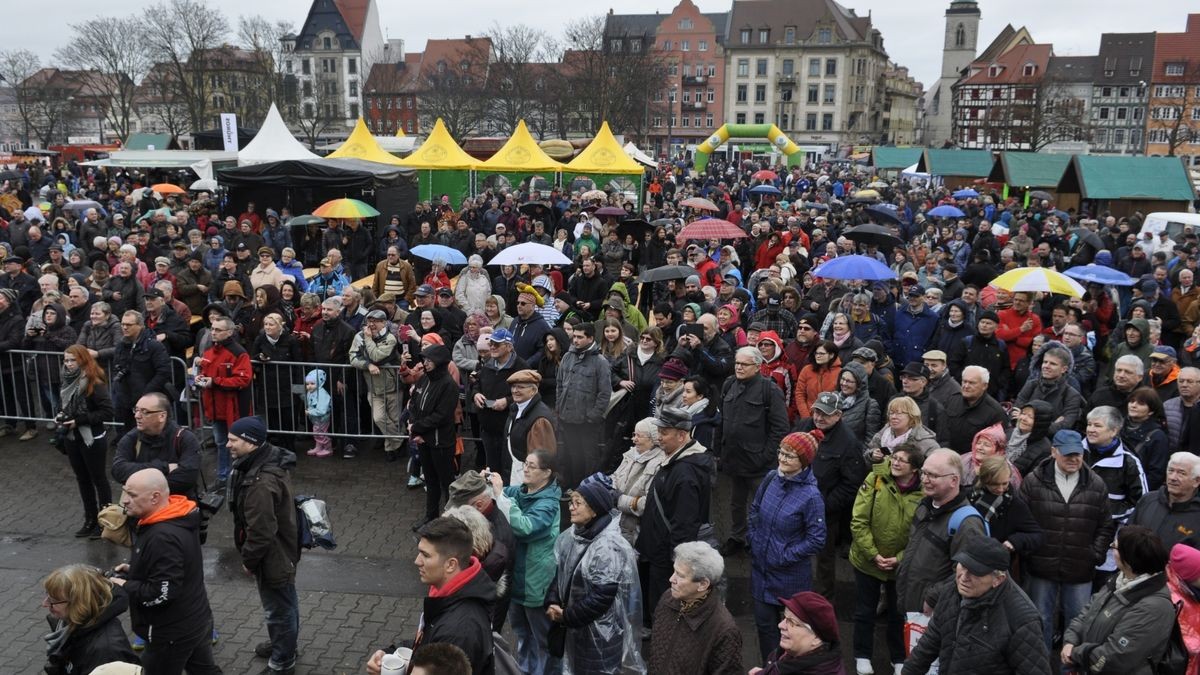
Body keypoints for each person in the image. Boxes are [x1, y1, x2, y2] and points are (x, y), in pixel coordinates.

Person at [108, 469, 220, 674]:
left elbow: (162, 592)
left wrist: (124, 584)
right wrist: (136, 570)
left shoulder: (162, 536)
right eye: (124, 492)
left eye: (132, 495)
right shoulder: (178, 514)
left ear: (155, 497)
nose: (124, 501)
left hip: (170, 632)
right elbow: (177, 568)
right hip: (196, 618)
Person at [1019, 429, 1115, 650]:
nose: (1074, 459)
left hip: (1080, 567)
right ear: (1053, 452)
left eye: (1078, 454)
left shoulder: (1096, 484)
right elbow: (1022, 520)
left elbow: (1105, 525)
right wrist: (1030, 553)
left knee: (1077, 623)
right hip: (1041, 565)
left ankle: (1070, 670)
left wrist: (1095, 554)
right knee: (1040, 618)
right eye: (1067, 454)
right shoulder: (1033, 482)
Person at [901, 536, 1050, 675]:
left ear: (998, 579)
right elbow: (929, 642)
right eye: (963, 565)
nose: (963, 577)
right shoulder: (952, 588)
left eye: (975, 572)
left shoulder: (1022, 620)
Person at [365, 517, 496, 675]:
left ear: (451, 565)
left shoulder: (457, 632)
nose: (416, 561)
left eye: (425, 555)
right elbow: (428, 644)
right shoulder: (452, 596)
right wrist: (389, 654)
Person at [546, 474, 644, 674]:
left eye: (578, 503)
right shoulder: (575, 534)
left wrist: (567, 616)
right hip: (575, 626)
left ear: (594, 510)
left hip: (599, 636)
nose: (571, 507)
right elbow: (562, 573)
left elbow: (601, 598)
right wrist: (553, 600)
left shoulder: (607, 546)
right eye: (571, 502)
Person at [226, 416, 300, 675]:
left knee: (279, 609)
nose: (227, 445)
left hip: (274, 556)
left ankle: (283, 661)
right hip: (280, 551)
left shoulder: (260, 482)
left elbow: (261, 532)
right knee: (285, 603)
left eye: (233, 440)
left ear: (251, 442)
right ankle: (285, 644)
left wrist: (248, 560)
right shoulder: (264, 463)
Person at [747, 430, 828, 662]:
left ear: (804, 461)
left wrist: (784, 556)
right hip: (760, 573)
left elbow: (817, 539)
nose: (782, 459)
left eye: (790, 456)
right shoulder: (771, 477)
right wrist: (753, 539)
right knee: (765, 630)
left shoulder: (811, 496)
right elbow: (754, 510)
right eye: (781, 452)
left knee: (789, 636)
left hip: (789, 580)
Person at [635, 407, 716, 625]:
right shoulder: (675, 460)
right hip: (656, 551)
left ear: (681, 435)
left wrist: (676, 562)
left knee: (665, 608)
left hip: (665, 558)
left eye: (664, 433)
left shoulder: (685, 473)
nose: (659, 437)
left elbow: (684, 524)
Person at [1061, 525, 1177, 674]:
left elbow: (1117, 657)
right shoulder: (1119, 580)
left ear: (1129, 558)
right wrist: (1070, 641)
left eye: (1114, 547)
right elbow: (1087, 612)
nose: (1111, 550)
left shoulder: (1154, 607)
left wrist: (1076, 653)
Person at [852, 444, 925, 675]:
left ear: (914, 469)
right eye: (895, 457)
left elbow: (921, 534)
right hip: (867, 561)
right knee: (865, 611)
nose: (895, 462)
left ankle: (898, 657)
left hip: (900, 567)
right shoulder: (875, 479)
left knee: (897, 612)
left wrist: (899, 559)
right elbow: (859, 520)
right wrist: (874, 554)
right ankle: (862, 654)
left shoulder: (923, 494)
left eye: (903, 460)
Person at [489, 449, 561, 675]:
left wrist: (500, 495)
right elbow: (498, 495)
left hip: (536, 582)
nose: (526, 469)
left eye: (532, 466)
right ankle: (526, 670)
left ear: (547, 472)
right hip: (517, 579)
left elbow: (526, 527)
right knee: (521, 632)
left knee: (542, 639)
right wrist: (489, 481)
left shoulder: (549, 504)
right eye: (525, 464)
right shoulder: (522, 491)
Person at [716, 346, 789, 555]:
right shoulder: (729, 384)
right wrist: (718, 450)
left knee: (763, 505)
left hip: (759, 463)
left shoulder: (770, 390)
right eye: (737, 363)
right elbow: (721, 420)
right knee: (736, 503)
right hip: (734, 458)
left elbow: (780, 428)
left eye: (744, 364)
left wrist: (765, 456)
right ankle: (737, 537)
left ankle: (762, 541)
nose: (738, 367)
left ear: (757, 367)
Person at [796, 391, 868, 600]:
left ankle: (822, 600)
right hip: (796, 504)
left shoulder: (849, 442)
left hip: (824, 513)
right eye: (816, 412)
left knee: (824, 560)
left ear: (839, 415)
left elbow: (851, 484)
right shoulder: (804, 426)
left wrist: (823, 505)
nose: (818, 418)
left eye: (825, 414)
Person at [896, 448, 986, 613]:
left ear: (954, 480)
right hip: (911, 606)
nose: (924, 480)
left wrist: (933, 598)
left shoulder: (967, 523)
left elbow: (968, 573)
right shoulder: (924, 505)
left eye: (933, 475)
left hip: (936, 613)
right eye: (924, 473)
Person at [647, 542, 743, 675]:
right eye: (674, 571)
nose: (671, 579)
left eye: (680, 575)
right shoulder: (668, 598)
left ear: (703, 584)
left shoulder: (724, 630)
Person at [1084, 405, 1150, 584]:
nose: (1090, 429)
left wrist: (1107, 513)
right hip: (1073, 532)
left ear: (1114, 431)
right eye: (1089, 424)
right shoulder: (1075, 452)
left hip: (1107, 536)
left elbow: (1142, 502)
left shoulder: (1128, 462)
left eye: (1097, 425)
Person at [57, 345, 114, 538]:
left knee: (99, 479)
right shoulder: (67, 380)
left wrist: (79, 420)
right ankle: (89, 519)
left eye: (73, 360)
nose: (69, 364)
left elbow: (107, 411)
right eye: (66, 360)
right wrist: (62, 416)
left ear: (83, 360)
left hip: (92, 438)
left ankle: (105, 522)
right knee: (82, 479)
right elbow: (66, 404)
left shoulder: (94, 382)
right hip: (73, 437)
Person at [40, 564, 139, 675]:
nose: (44, 604)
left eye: (53, 600)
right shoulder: (70, 621)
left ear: (78, 604)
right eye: (47, 596)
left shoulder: (107, 653)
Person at [196, 315, 253, 489]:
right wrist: (200, 378)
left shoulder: (239, 353)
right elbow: (207, 374)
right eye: (212, 329)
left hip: (233, 409)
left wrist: (215, 381)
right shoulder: (209, 352)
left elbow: (243, 379)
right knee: (222, 444)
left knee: (239, 446)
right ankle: (223, 477)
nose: (213, 333)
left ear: (229, 332)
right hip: (215, 408)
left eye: (218, 330)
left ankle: (241, 477)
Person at [408, 345, 461, 529]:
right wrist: (416, 430)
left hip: (441, 442)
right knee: (430, 481)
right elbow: (414, 403)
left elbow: (442, 416)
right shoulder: (424, 380)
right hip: (423, 440)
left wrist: (417, 428)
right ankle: (431, 517)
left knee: (447, 482)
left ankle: (450, 519)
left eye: (429, 360)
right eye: (425, 360)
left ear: (440, 362)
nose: (425, 363)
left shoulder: (449, 385)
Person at [111, 391, 201, 498]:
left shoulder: (185, 439)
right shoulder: (132, 438)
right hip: (141, 509)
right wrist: (164, 467)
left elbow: (187, 479)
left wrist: (138, 481)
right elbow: (118, 470)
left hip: (177, 507)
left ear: (162, 416)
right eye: (136, 410)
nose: (137, 416)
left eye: (145, 412)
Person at [555, 322, 611, 488]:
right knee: (570, 456)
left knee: (589, 458)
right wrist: (559, 407)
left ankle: (586, 490)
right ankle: (571, 487)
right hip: (567, 418)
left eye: (580, 337)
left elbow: (604, 393)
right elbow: (559, 383)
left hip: (587, 421)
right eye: (575, 336)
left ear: (591, 338)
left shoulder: (600, 362)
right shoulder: (567, 357)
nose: (576, 340)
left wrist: (593, 416)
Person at [350, 309, 404, 461]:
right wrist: (367, 365)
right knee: (379, 418)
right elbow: (353, 358)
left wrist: (368, 340)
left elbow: (377, 356)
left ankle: (390, 449)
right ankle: (400, 440)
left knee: (394, 420)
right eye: (369, 321)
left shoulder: (390, 338)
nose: (372, 324)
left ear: (384, 322)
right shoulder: (359, 336)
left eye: (376, 321)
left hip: (393, 387)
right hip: (373, 388)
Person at [750, 591, 845, 675]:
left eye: (792, 622)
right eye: (784, 617)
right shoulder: (791, 652)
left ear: (816, 638)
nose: (780, 625)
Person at [110, 310, 171, 436]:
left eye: (129, 325)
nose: (125, 328)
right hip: (127, 402)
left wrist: (146, 394)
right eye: (123, 324)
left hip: (149, 404)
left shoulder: (153, 346)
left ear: (140, 326)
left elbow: (163, 372)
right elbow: (117, 367)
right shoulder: (121, 346)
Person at [610, 417, 666, 547]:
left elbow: (649, 504)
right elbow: (616, 476)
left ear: (653, 440)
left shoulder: (659, 465)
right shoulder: (631, 454)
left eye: (639, 436)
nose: (634, 439)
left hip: (635, 531)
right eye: (634, 434)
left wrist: (619, 499)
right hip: (617, 522)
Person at [1129, 451, 1200, 550]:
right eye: (1170, 471)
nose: (1173, 477)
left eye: (1181, 473)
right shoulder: (1148, 500)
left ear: (1196, 481)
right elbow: (1126, 535)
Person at [938, 365, 1009, 455]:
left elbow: (997, 446)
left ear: (984, 386)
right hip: (945, 454)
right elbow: (941, 428)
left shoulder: (995, 412)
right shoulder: (952, 399)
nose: (966, 386)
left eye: (972, 383)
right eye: (964, 381)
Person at [1122, 386, 1171, 490]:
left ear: (1151, 411)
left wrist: (1138, 491)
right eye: (1132, 401)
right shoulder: (1117, 427)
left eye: (1141, 403)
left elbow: (1156, 474)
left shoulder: (1157, 436)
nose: (1133, 406)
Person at [866, 396, 940, 459]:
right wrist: (872, 456)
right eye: (891, 413)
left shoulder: (924, 441)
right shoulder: (882, 435)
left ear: (912, 416)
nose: (894, 417)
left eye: (899, 413)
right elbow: (865, 458)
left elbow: (937, 467)